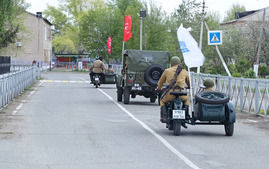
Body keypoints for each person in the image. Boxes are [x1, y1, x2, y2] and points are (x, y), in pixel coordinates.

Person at [157, 56, 190, 126]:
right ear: (179, 63)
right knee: (187, 101)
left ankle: (165, 116)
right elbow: (189, 83)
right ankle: (186, 115)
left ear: (171, 64)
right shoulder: (184, 71)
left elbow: (160, 82)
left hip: (170, 94)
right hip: (181, 94)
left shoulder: (167, 71)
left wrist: (159, 88)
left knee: (162, 101)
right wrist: (188, 87)